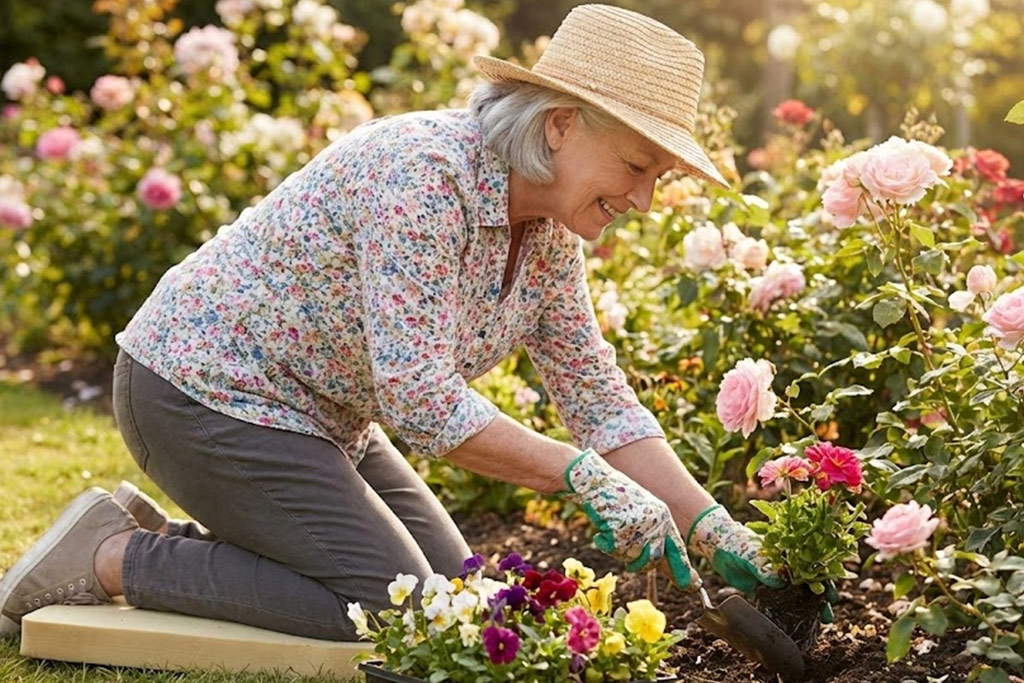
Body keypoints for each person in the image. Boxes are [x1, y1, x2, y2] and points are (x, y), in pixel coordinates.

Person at [0, 4, 782, 641]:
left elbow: (601, 403)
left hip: (321, 418)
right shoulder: (424, 176)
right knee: (398, 612)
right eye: (638, 166)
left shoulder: (547, 239)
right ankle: (110, 553)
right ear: (559, 126)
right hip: (197, 392)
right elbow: (418, 397)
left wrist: (713, 526)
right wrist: (578, 475)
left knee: (461, 602)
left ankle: (161, 533)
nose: (644, 199)